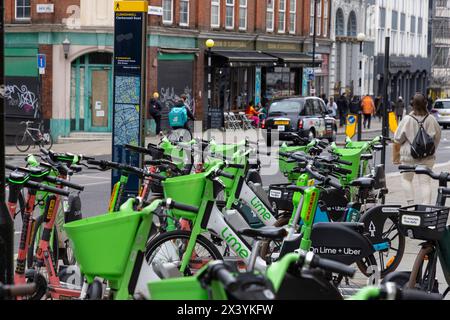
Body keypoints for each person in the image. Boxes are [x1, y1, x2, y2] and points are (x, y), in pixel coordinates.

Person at [393, 93, 442, 205]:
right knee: (425, 183)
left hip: (409, 156)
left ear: (412, 105)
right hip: (427, 157)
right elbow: (437, 136)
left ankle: (411, 204)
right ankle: (426, 206)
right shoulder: (431, 119)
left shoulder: (407, 119)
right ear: (426, 104)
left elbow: (397, 138)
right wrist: (431, 149)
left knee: (406, 179)